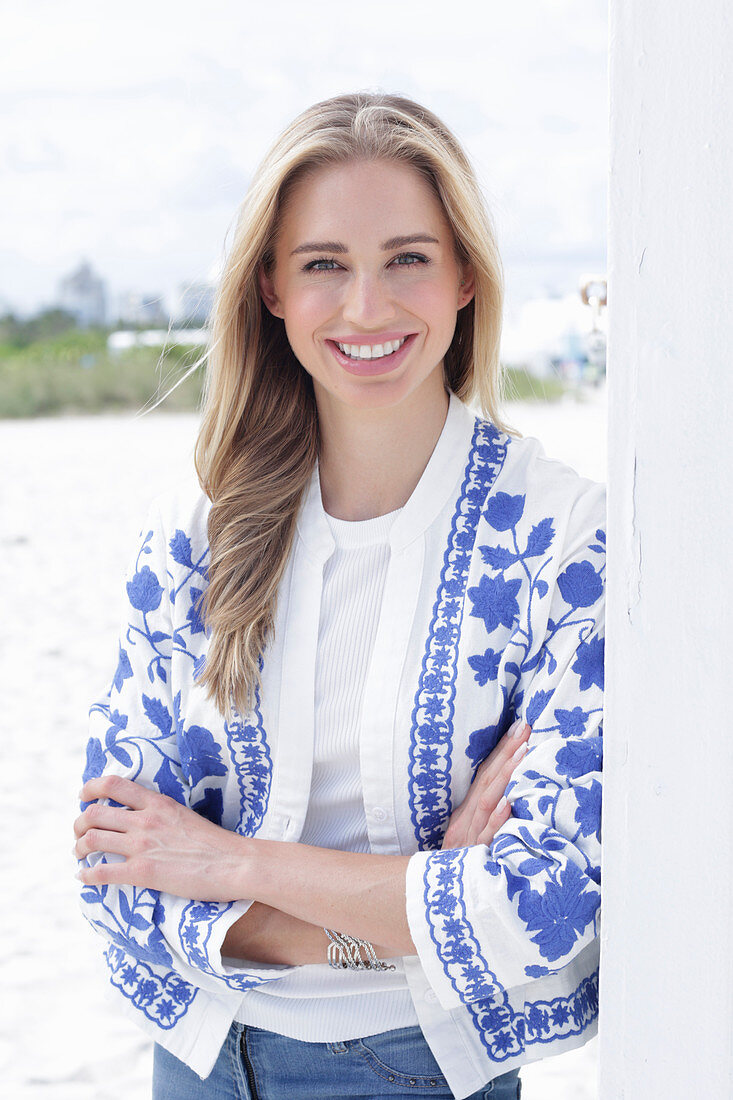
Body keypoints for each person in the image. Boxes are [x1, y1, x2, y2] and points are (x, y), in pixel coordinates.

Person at [73, 92, 604, 1100]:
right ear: (271, 286)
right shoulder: (194, 545)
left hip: (421, 1069)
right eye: (325, 264)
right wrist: (406, 904)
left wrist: (231, 863)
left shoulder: (560, 542)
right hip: (199, 1063)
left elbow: (541, 904)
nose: (366, 307)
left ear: (463, 276)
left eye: (407, 257)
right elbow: (119, 878)